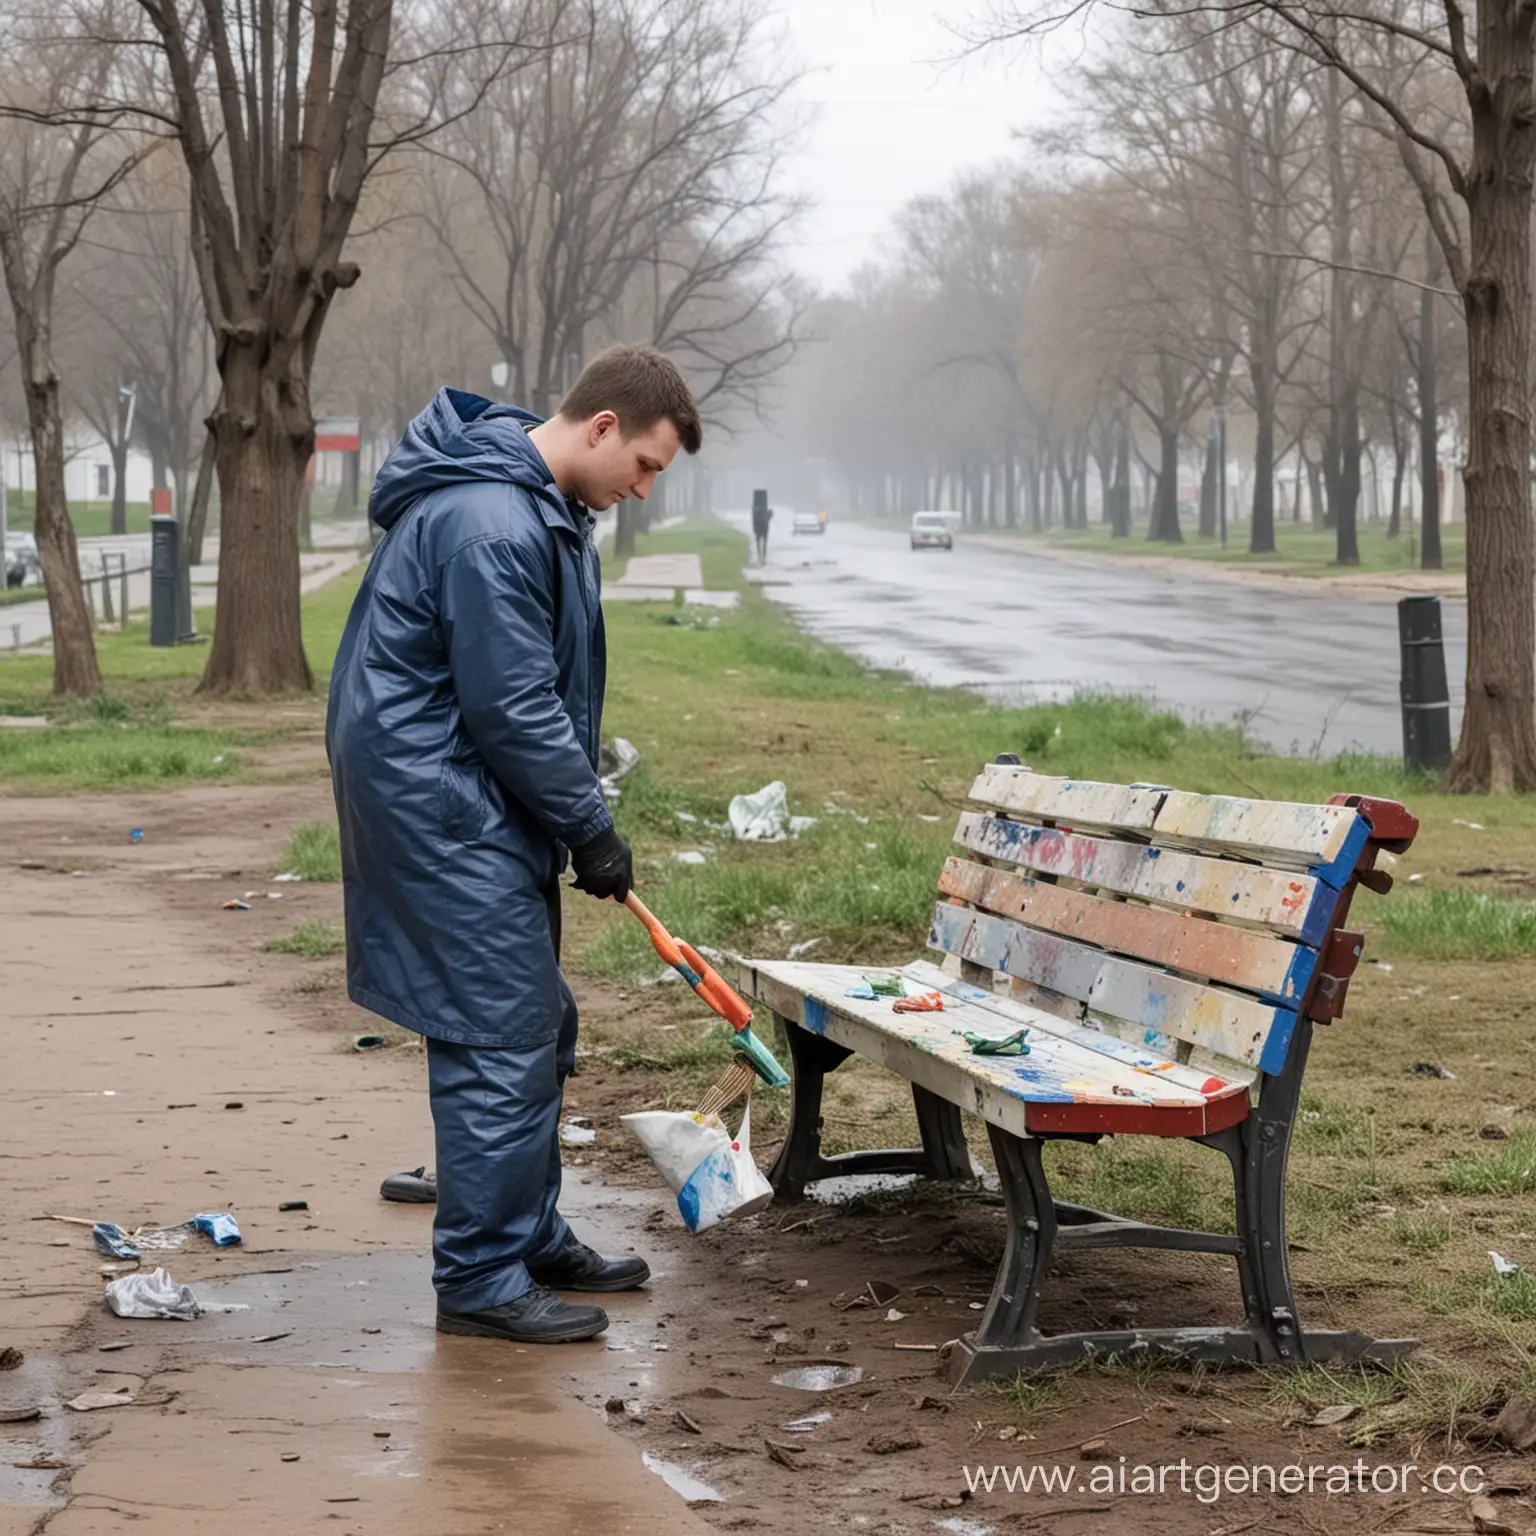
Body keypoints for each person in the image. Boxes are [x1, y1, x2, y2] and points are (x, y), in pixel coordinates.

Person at [327, 345, 702, 1345]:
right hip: (446, 806)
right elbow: (513, 706)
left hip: (474, 801)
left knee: (538, 1022)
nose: (645, 488)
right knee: (500, 1033)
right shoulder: (494, 521)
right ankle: (482, 1278)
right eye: (649, 466)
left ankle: (526, 1233)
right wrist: (592, 827)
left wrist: (568, 822)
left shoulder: (536, 507)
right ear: (604, 427)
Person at [751, 487, 771, 564]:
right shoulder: (760, 510)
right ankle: (762, 556)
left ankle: (761, 556)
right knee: (763, 540)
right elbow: (766, 518)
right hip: (762, 525)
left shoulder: (756, 510)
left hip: (760, 525)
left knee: (759, 540)